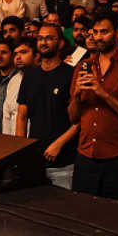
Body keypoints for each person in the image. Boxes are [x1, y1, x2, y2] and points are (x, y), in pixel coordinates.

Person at [68, 12, 118, 201]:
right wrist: (77, 96)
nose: (99, 37)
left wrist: (103, 94)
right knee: (82, 214)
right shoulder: (83, 66)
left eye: (104, 32)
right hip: (85, 154)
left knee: (114, 218)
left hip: (117, 156)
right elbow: (72, 117)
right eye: (95, 32)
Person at [17, 24, 79, 189]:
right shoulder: (30, 75)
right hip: (34, 160)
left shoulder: (71, 74)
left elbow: (80, 119)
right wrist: (20, 150)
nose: (44, 42)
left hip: (63, 161)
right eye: (40, 38)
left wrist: (58, 144)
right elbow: (22, 116)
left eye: (49, 38)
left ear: (60, 43)